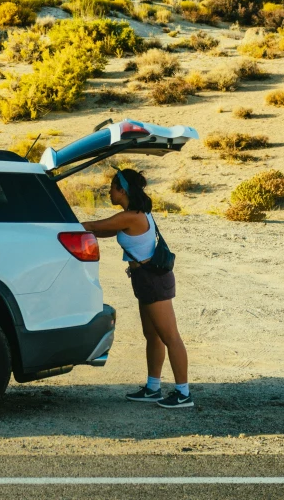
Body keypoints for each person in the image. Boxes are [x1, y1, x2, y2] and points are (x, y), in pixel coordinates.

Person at [82, 167, 193, 408]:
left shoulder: (130, 216)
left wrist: (64, 226)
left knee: (170, 336)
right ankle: (153, 388)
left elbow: (93, 225)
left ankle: (183, 393)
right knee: (152, 335)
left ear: (122, 190)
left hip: (153, 280)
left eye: (112, 188)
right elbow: (106, 231)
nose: (108, 192)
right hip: (145, 278)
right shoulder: (132, 215)